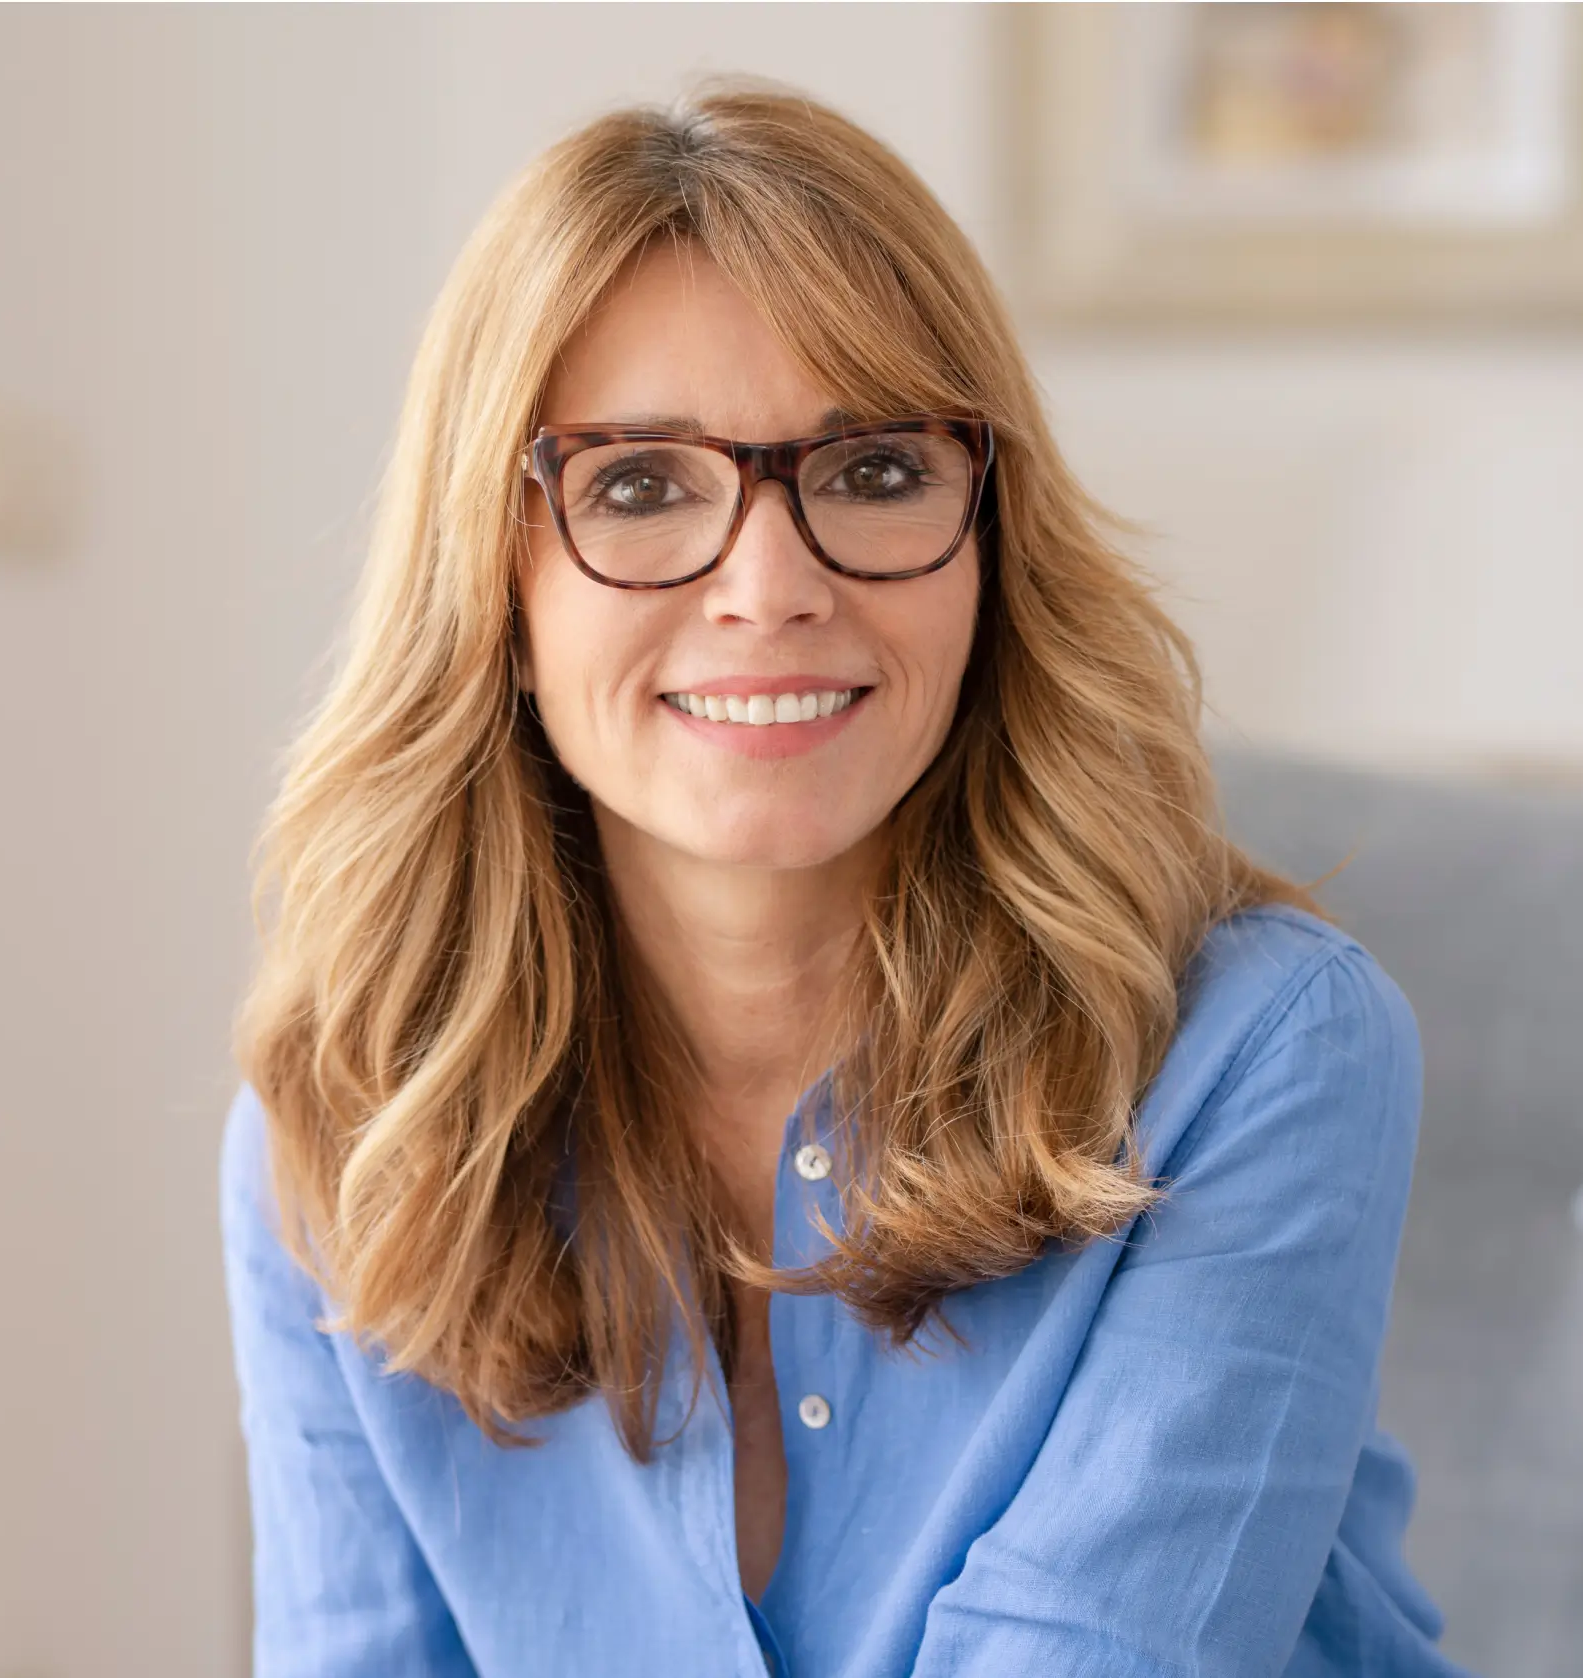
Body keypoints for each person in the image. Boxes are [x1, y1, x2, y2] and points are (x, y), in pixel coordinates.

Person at [219, 81, 1475, 1678]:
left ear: (988, 547)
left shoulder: (1265, 1047)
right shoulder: (340, 1131)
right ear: (493, 583)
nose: (770, 585)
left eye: (873, 472)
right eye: (636, 484)